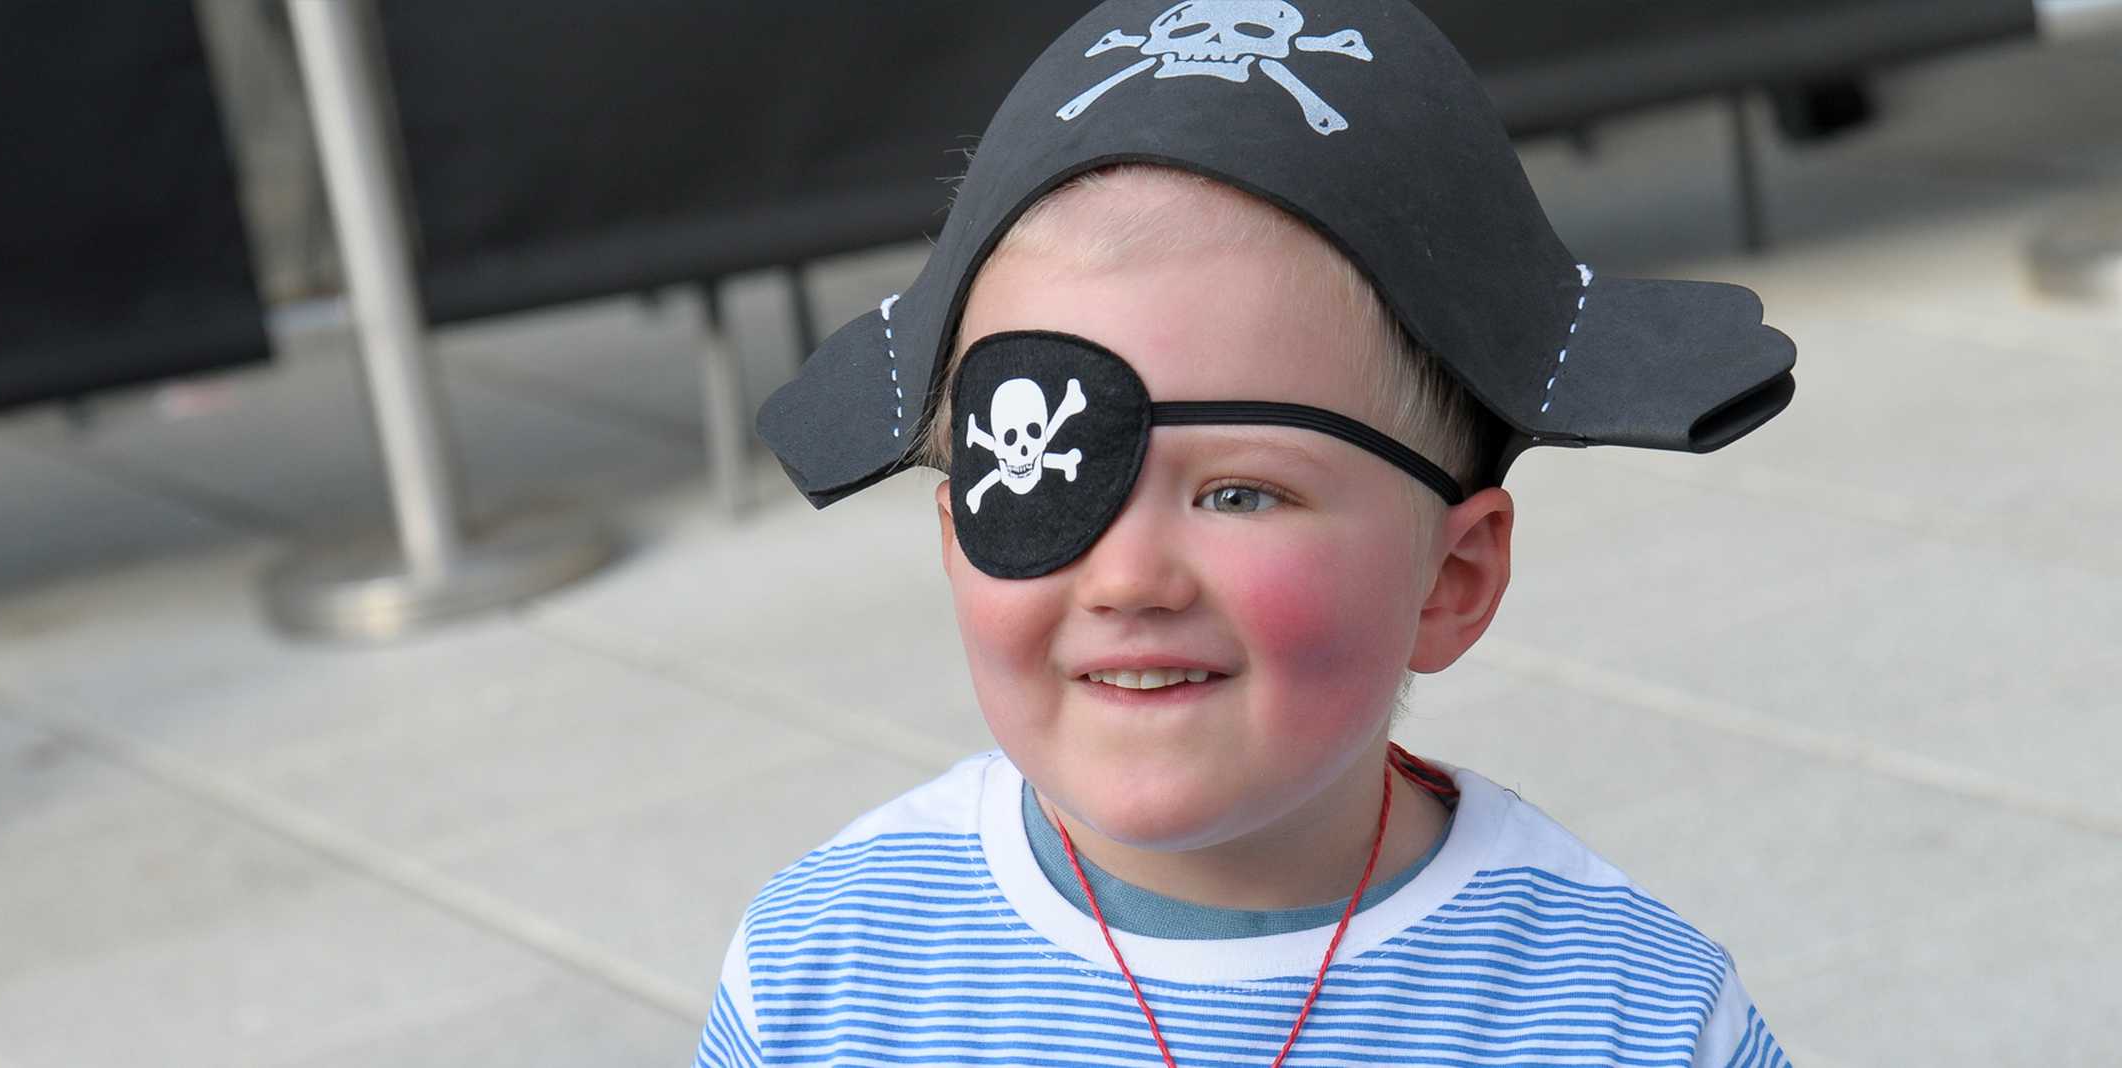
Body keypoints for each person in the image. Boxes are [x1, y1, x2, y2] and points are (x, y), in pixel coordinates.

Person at [703, 2, 1797, 1065]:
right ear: (953, 536)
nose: (1127, 579)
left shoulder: (1628, 1015)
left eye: (1238, 494)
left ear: (1449, 579)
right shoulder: (825, 970)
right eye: (1044, 473)